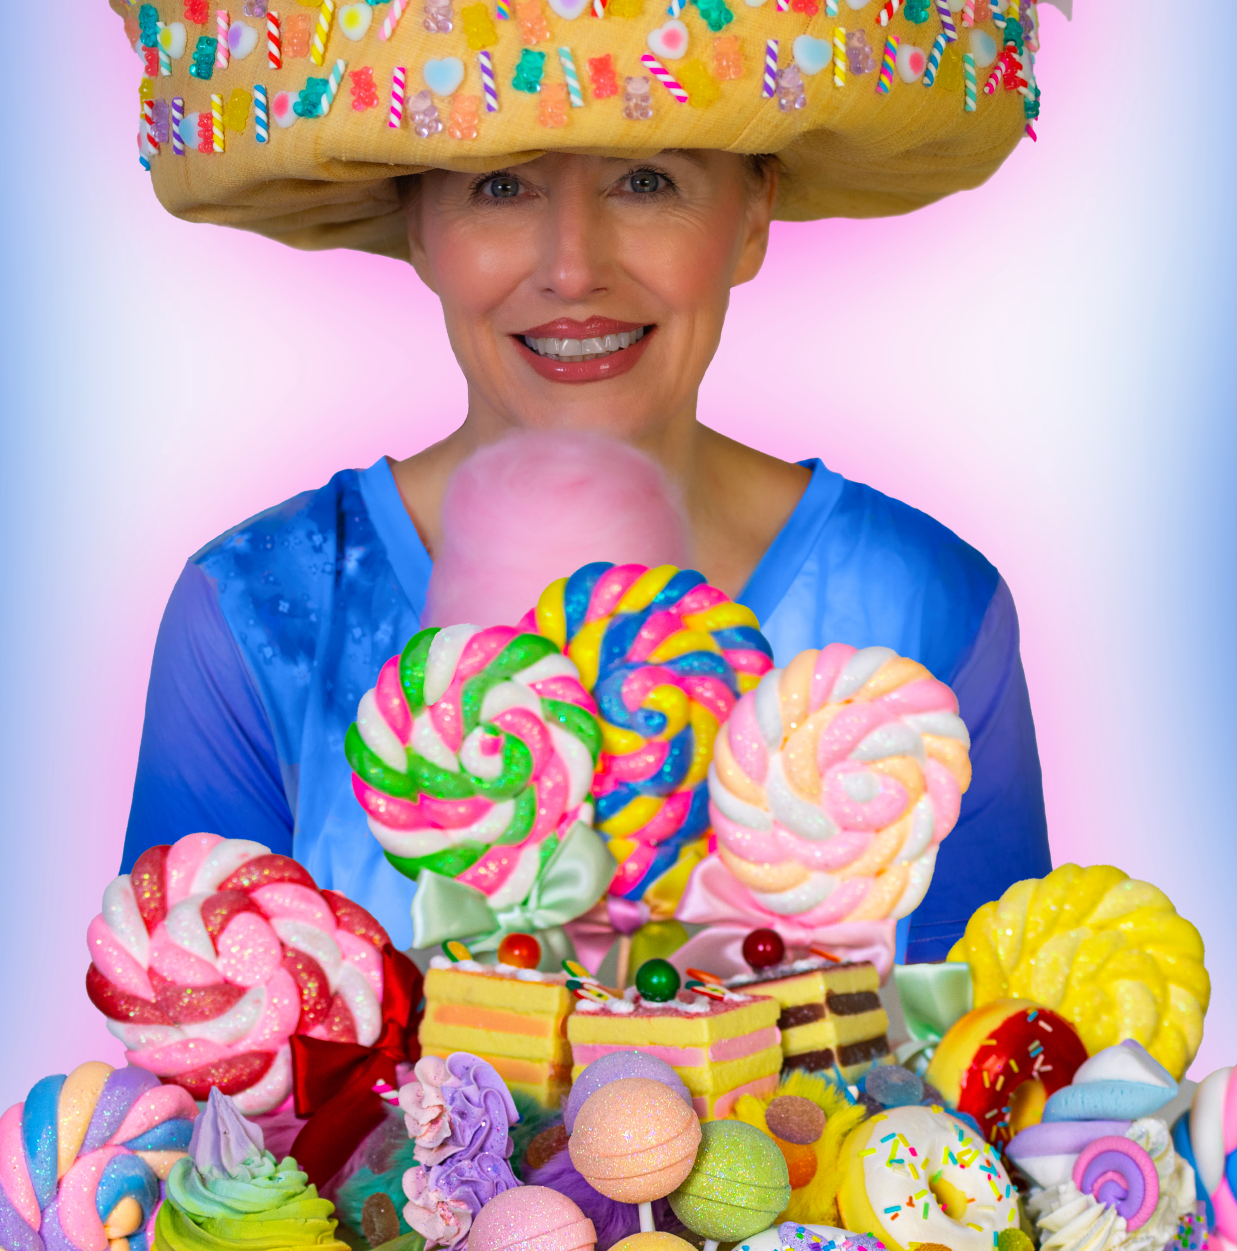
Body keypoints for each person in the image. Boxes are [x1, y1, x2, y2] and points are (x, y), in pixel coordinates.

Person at [123, 143, 1049, 961]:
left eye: (646, 183)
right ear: (417, 223)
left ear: (754, 213)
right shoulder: (258, 609)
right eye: (498, 188)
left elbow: (982, 1109)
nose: (573, 269)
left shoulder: (922, 604)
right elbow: (190, 1108)